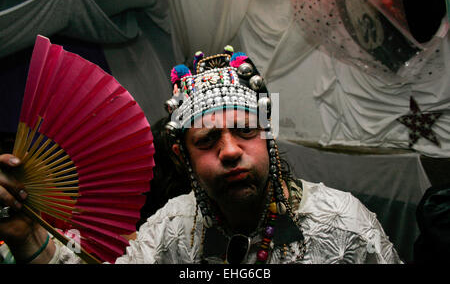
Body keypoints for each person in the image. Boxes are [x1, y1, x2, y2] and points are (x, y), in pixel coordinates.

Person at [0, 50, 402, 264]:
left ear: (268, 136)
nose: (230, 151)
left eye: (245, 131)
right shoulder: (171, 230)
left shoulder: (345, 224)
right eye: (208, 140)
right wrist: (26, 235)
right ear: (183, 156)